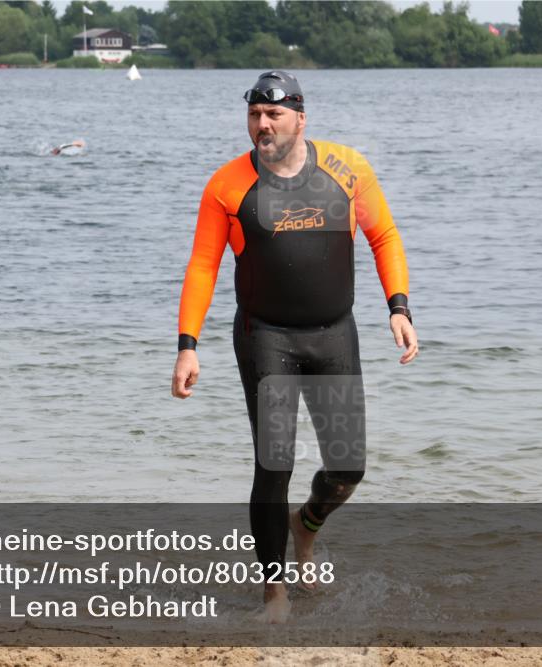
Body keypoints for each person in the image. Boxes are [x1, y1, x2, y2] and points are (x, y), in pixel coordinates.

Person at [171, 71, 418, 623]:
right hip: (266, 336)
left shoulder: (347, 170)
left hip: (334, 332)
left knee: (347, 469)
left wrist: (398, 307)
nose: (263, 124)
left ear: (300, 119)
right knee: (273, 462)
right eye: (255, 115)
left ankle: (303, 528)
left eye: (274, 115)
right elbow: (204, 265)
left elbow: (384, 236)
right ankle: (275, 594)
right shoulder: (226, 186)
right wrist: (188, 344)